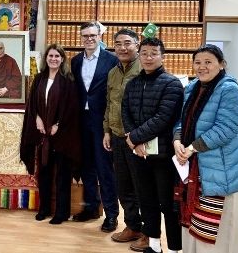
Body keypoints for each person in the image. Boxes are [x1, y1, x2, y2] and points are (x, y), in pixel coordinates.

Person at [173, 44, 238, 253]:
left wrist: (191, 148)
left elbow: (226, 128)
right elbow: (181, 121)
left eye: (208, 62)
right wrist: (177, 141)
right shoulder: (191, 88)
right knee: (193, 223)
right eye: (198, 62)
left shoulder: (229, 88)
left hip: (223, 171)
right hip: (195, 168)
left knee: (219, 230)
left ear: (221, 64)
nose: (202, 67)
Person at [122, 37, 183, 253]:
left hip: (163, 156)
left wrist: (134, 138)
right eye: (144, 53)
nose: (148, 57)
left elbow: (163, 118)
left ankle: (175, 249)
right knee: (146, 201)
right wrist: (133, 139)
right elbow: (125, 112)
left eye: (153, 53)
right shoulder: (133, 83)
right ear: (139, 55)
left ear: (162, 56)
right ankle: (154, 246)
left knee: (168, 205)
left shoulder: (172, 83)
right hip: (138, 154)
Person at [20, 44, 81, 225]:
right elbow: (32, 104)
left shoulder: (68, 80)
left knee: (62, 175)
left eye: (57, 56)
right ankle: (44, 208)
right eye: (50, 56)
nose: (53, 59)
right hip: (42, 135)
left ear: (62, 59)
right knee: (44, 173)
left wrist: (58, 125)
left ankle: (61, 213)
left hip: (61, 136)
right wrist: (37, 119)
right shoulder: (39, 79)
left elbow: (71, 108)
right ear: (46, 58)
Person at [70, 21, 119, 233]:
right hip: (82, 120)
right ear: (80, 38)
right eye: (85, 36)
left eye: (92, 35)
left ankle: (111, 215)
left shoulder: (112, 60)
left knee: (104, 168)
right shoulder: (75, 61)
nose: (89, 39)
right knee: (86, 166)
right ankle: (90, 207)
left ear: (99, 36)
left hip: (103, 122)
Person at [102, 28, 148, 251]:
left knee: (143, 188)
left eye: (127, 43)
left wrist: (139, 137)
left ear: (137, 45)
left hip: (138, 140)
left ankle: (150, 233)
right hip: (118, 137)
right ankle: (132, 226)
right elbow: (110, 104)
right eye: (118, 43)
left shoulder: (145, 70)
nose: (122, 47)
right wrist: (107, 131)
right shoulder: (113, 73)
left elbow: (148, 109)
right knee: (124, 186)